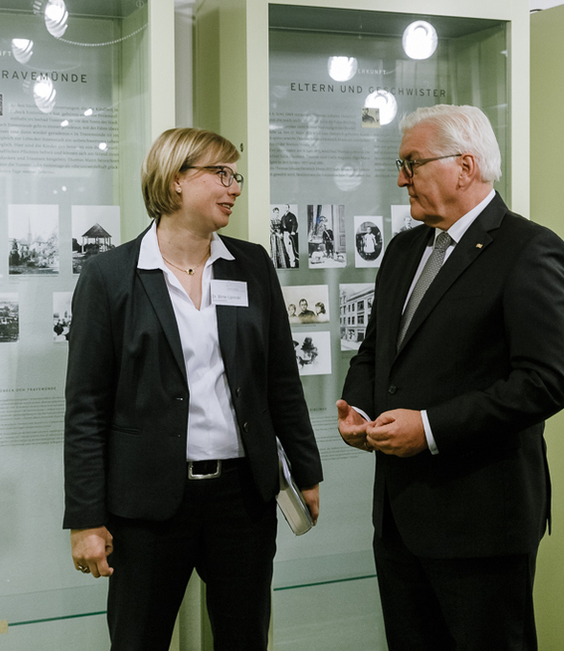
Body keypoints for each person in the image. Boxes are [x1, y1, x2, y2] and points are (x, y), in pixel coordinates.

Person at [63, 127, 323, 650]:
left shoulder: (251, 266)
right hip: (147, 506)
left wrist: (306, 471)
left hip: (242, 500)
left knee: (245, 637)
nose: (234, 187)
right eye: (220, 174)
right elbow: (85, 408)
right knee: (139, 640)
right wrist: (86, 519)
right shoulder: (111, 275)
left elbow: (281, 382)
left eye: (236, 175)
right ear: (176, 180)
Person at [337, 104, 564, 650]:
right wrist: (358, 406)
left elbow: (545, 382)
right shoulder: (403, 250)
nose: (401, 178)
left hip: (482, 523)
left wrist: (429, 428)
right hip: (400, 519)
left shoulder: (530, 250)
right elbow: (376, 352)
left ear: (464, 167)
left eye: (411, 163)